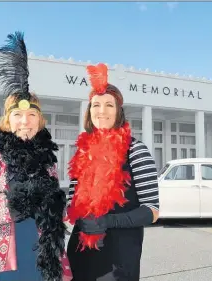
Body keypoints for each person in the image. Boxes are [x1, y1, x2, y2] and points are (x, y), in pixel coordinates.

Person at [0, 32, 67, 281]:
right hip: (1, 266)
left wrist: (58, 207)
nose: (25, 122)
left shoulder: (48, 164)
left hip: (42, 262)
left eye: (31, 116)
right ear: (7, 120)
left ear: (40, 121)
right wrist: (7, 210)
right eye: (17, 115)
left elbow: (54, 214)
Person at [66, 63, 160, 281]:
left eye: (109, 105)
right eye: (96, 105)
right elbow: (72, 201)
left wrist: (109, 221)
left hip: (119, 254)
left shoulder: (135, 150)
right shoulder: (83, 152)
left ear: (119, 111)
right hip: (81, 248)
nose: (102, 111)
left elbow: (152, 211)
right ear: (89, 111)